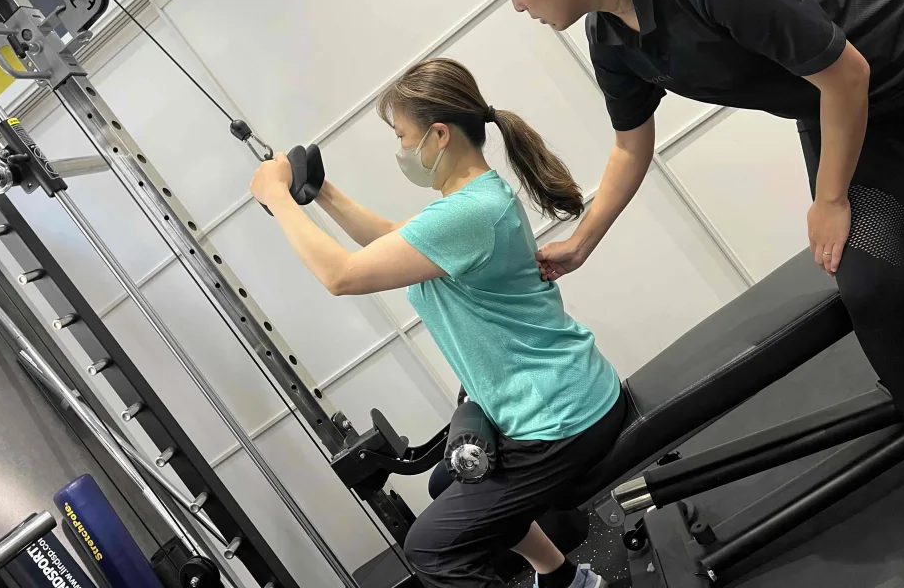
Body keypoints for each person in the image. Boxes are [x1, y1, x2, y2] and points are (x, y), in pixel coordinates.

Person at [474, 0, 904, 436]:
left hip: (896, 59)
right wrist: (581, 242)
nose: (516, 5)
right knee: (870, 286)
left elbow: (847, 73)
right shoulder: (610, 38)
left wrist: (831, 199)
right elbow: (630, 147)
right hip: (848, 111)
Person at [249, 57, 624, 588]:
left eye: (403, 137)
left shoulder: (468, 214)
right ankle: (567, 580)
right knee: (449, 482)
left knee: (431, 549)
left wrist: (275, 197)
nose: (402, 150)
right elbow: (386, 239)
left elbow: (341, 275)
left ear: (439, 135)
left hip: (560, 419)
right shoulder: (473, 202)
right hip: (557, 398)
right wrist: (321, 192)